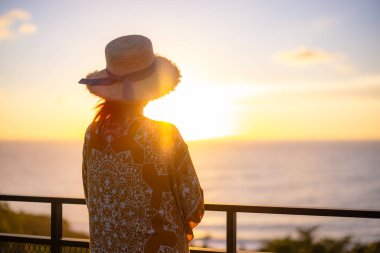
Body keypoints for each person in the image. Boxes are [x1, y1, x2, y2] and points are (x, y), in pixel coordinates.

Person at [79, 35, 204, 253]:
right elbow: (192, 202)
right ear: (149, 90)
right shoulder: (165, 133)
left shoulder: (92, 133)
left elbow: (90, 194)